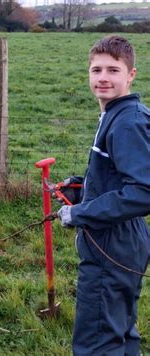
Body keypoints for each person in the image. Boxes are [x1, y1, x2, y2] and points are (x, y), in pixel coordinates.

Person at [56, 35, 150, 355]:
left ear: (131, 74)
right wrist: (83, 188)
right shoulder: (117, 113)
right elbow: (120, 178)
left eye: (113, 70)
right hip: (124, 240)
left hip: (114, 244)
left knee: (98, 339)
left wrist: (80, 213)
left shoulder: (127, 121)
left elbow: (142, 192)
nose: (103, 78)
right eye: (96, 70)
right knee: (120, 331)